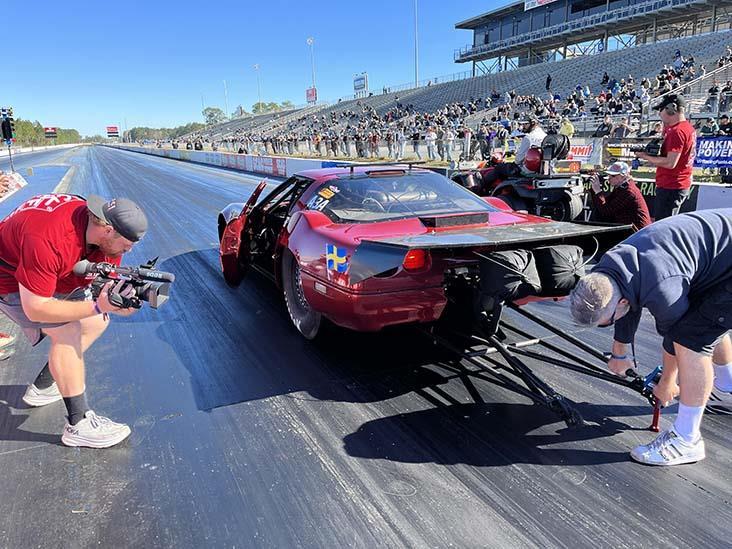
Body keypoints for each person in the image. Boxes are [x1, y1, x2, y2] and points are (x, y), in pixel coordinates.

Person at [569, 209, 732, 466]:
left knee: (693, 337)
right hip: (716, 258)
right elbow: (630, 299)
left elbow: (676, 338)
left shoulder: (662, 286)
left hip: (723, 265)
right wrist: (619, 353)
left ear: (619, 305)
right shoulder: (607, 269)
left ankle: (687, 440)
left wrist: (667, 383)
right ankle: (727, 389)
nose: (609, 325)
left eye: (606, 323)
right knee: (704, 320)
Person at [0, 193, 148, 448]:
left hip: (50, 265)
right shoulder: (49, 237)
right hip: (9, 276)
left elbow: (103, 282)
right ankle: (78, 424)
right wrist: (94, 305)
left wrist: (116, 302)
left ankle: (44, 387)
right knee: (68, 329)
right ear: (108, 229)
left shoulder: (103, 233)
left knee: (97, 321)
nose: (129, 250)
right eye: (126, 244)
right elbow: (36, 308)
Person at [634, 94, 696, 220]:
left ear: (670, 109)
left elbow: (670, 163)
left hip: (672, 185)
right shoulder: (684, 128)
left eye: (661, 110)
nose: (659, 114)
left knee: (664, 227)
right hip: (676, 183)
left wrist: (644, 156)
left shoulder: (677, 131)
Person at [589, 162, 651, 231]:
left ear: (623, 176)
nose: (609, 178)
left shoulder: (629, 191)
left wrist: (598, 191)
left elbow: (606, 211)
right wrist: (594, 189)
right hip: (630, 229)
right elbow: (601, 206)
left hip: (638, 232)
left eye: (613, 175)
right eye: (608, 175)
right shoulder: (622, 188)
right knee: (597, 213)